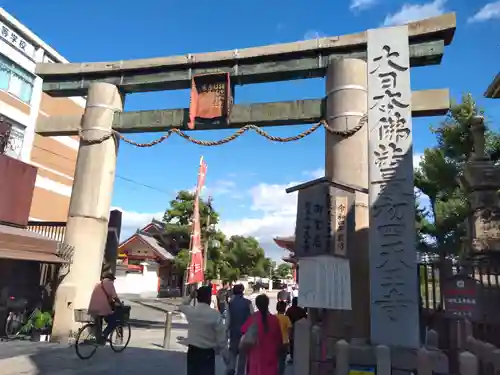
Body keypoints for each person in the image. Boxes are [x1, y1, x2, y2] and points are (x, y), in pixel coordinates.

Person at [179, 286, 227, 375]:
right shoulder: (215, 315)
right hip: (207, 352)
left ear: (197, 298)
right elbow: (221, 337)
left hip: (193, 351)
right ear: (209, 298)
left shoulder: (191, 311)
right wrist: (223, 353)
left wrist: (190, 297)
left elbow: (182, 306)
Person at [241, 294, 282, 375]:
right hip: (271, 358)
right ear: (268, 304)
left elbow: (243, 331)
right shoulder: (274, 320)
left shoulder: (253, 318)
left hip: (256, 359)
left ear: (256, 304)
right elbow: (279, 341)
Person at [226, 284, 253, 375]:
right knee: (243, 354)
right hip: (245, 332)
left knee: (232, 351)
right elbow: (252, 317)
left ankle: (231, 367)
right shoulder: (248, 303)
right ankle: (240, 372)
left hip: (233, 330)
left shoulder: (230, 303)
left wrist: (226, 330)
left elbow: (228, 318)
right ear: (242, 291)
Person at [88, 272, 122, 344]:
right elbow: (114, 296)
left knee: (98, 321)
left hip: (93, 307)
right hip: (102, 307)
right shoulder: (109, 283)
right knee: (114, 322)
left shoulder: (98, 284)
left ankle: (98, 338)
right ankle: (104, 335)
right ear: (111, 278)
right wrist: (120, 303)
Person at [285, 297, 307, 363]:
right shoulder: (301, 310)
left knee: (292, 343)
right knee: (299, 343)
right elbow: (305, 318)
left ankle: (292, 357)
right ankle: (299, 356)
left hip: (292, 329)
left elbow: (287, 318)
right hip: (300, 329)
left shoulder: (289, 310)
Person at [276, 301, 292, 375]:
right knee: (282, 361)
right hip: (284, 342)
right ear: (284, 309)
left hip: (274, 342)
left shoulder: (273, 317)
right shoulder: (286, 318)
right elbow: (289, 330)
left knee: (275, 360)